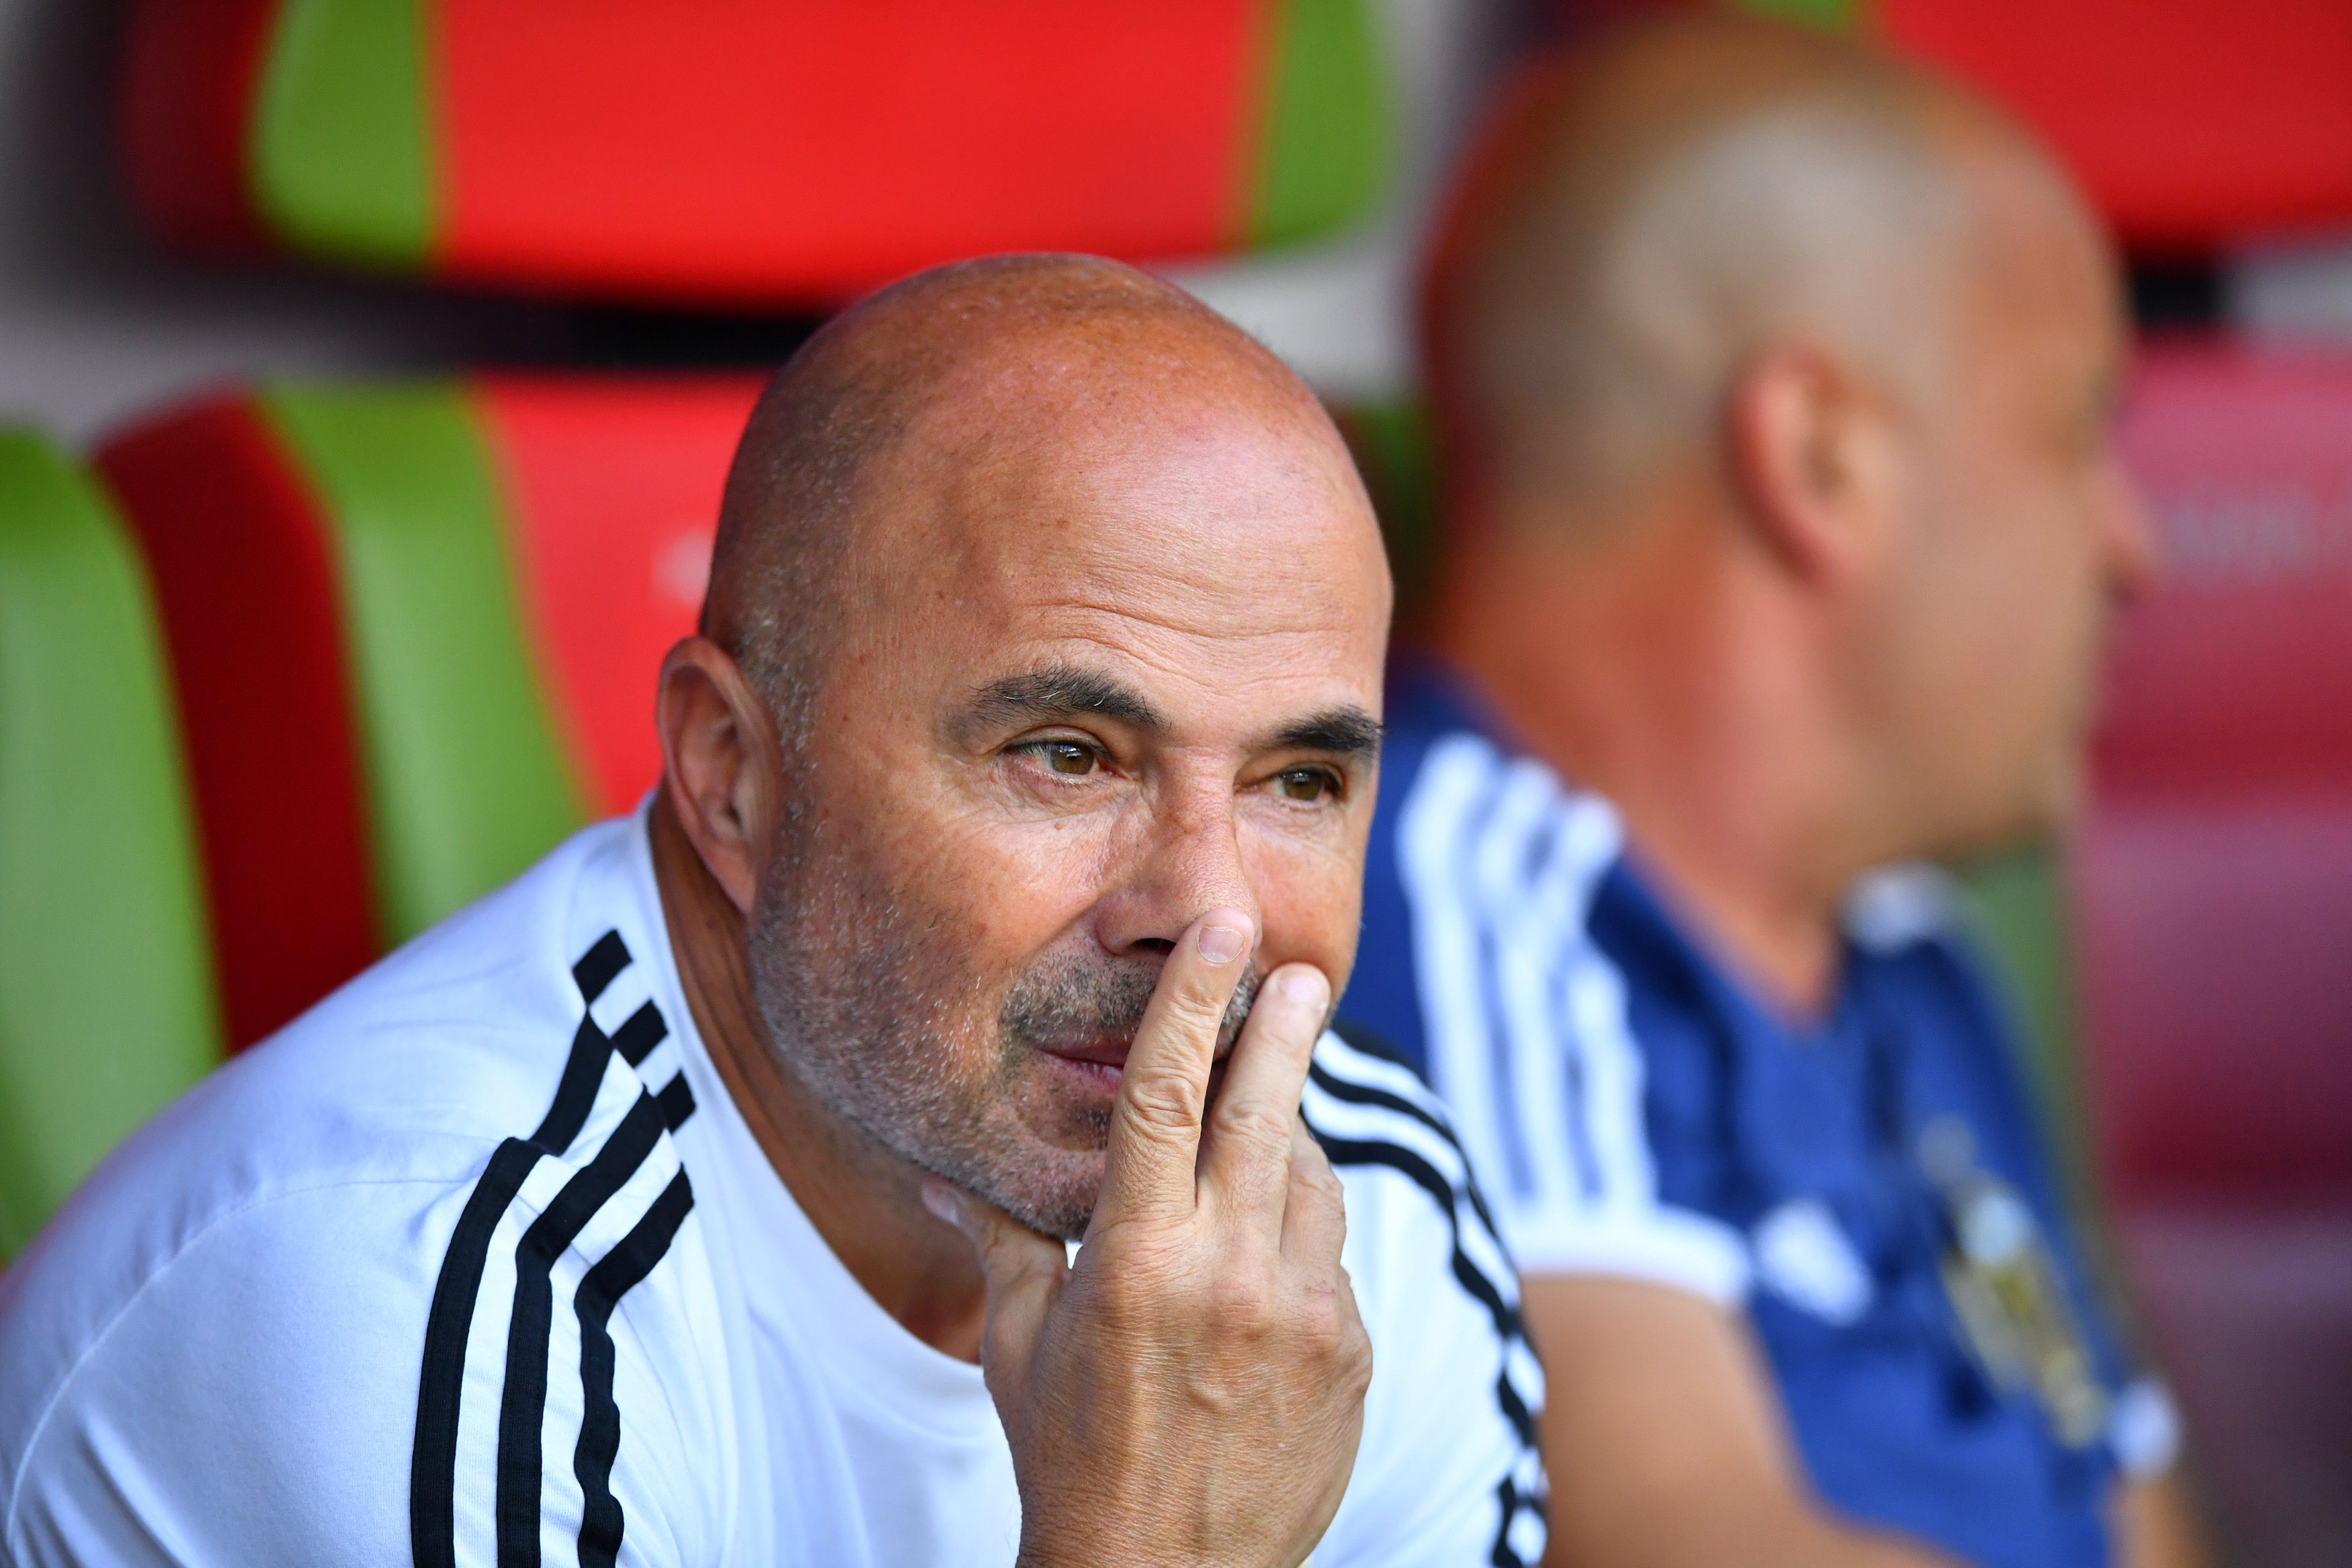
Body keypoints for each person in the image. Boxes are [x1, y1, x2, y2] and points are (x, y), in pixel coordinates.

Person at [0, 257, 1544, 1567]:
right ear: (730, 775)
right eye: (1066, 756)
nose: (1208, 916)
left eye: (1298, 782)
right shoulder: (420, 1308)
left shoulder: (1372, 1218)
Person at [1339, 17, 2205, 1568]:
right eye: (2072, 430)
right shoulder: (1448, 899)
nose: (2129, 546)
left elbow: (2130, 1519)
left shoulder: (1912, 957)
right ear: (1818, 460)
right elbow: (1671, 1539)